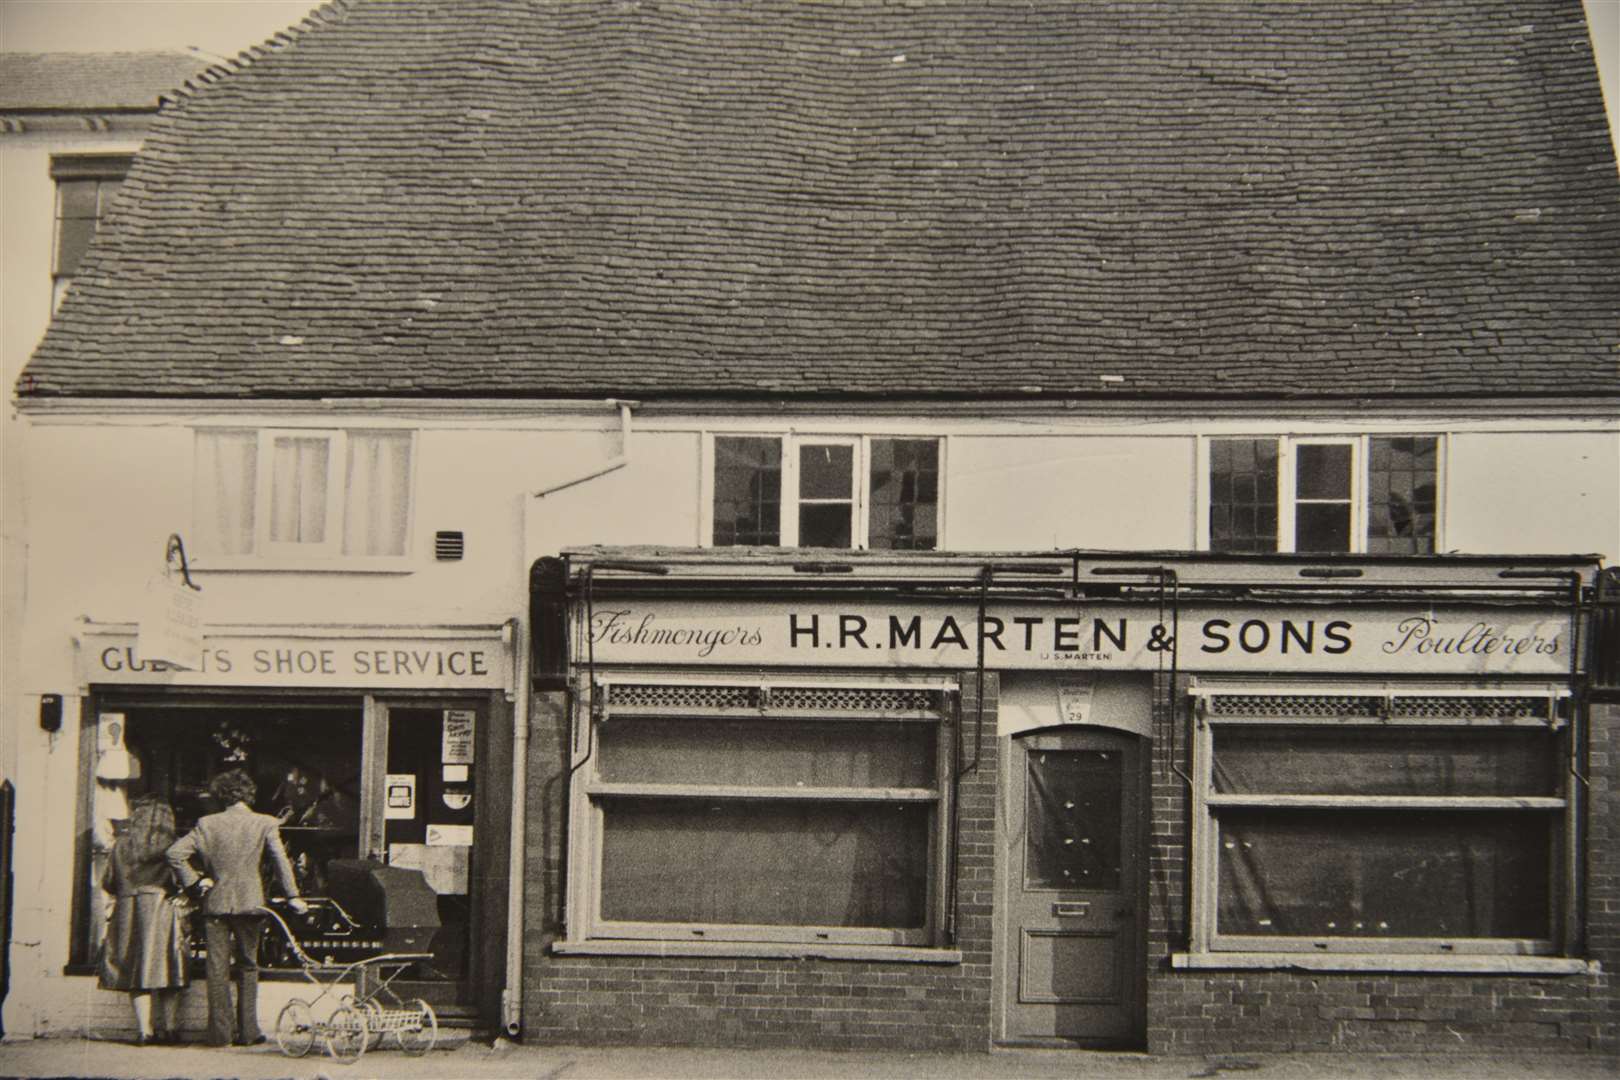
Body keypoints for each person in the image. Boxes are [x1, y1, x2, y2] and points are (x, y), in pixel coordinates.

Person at [166, 769, 308, 1047]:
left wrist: (196, 882)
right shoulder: (265, 823)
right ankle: (248, 1032)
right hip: (250, 902)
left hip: (216, 902)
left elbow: (174, 854)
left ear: (222, 796)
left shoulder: (207, 824)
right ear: (249, 794)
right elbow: (281, 862)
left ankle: (219, 1035)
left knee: (216, 968)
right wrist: (293, 895)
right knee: (248, 966)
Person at [98, 795, 190, 1045]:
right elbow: (184, 879)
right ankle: (169, 1029)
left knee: (135, 968)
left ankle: (144, 1031)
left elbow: (108, 881)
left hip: (128, 908)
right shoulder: (173, 844)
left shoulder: (121, 844)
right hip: (162, 907)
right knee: (168, 966)